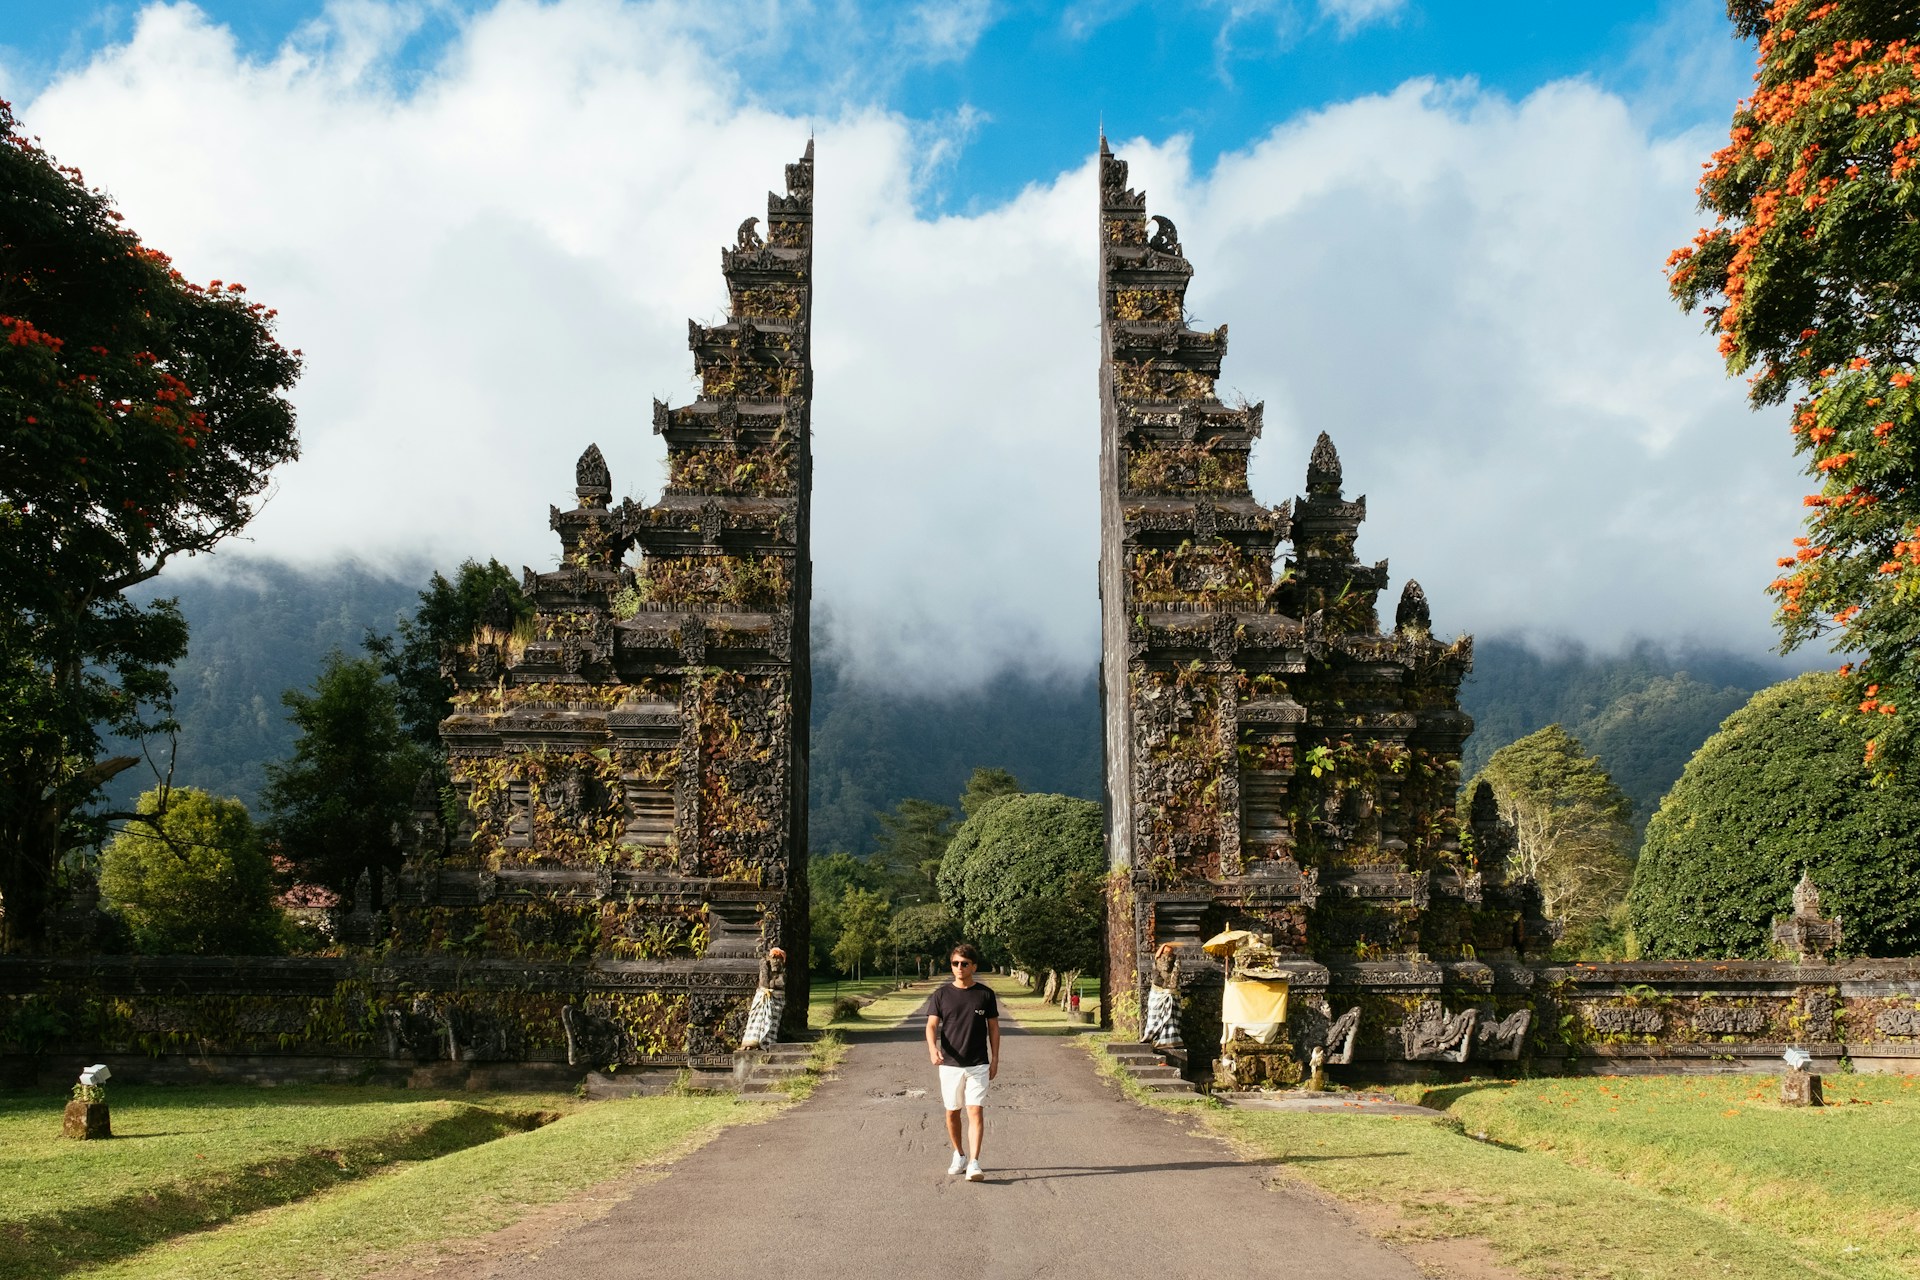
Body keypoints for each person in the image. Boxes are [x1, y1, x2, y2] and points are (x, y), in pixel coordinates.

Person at [925, 942, 1000, 1182]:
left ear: (973, 966)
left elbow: (994, 1029)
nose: (959, 967)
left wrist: (995, 1057)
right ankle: (959, 1154)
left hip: (978, 1063)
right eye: (955, 963)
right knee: (952, 1113)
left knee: (975, 1110)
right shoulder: (941, 995)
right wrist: (932, 1048)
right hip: (950, 1064)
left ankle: (974, 1163)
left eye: (964, 964)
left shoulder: (985, 995)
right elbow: (931, 1025)